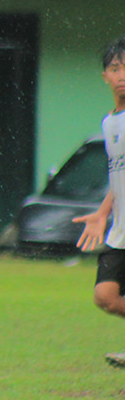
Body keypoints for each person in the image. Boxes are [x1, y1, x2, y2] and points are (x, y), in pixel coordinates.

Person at [74, 36, 125, 368]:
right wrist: (103, 212)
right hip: (120, 229)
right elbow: (117, 175)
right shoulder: (109, 123)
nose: (122, 75)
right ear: (104, 76)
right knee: (105, 297)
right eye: (115, 68)